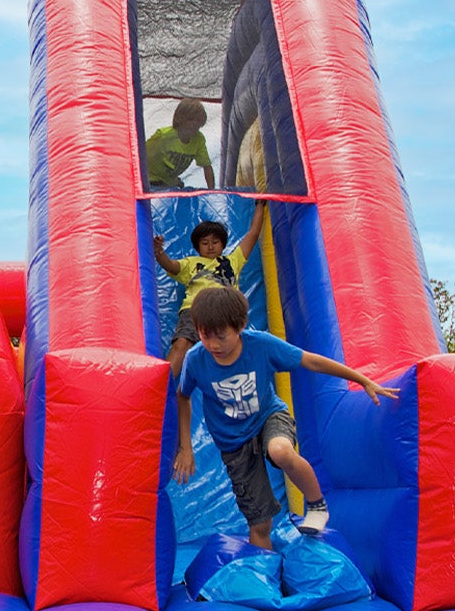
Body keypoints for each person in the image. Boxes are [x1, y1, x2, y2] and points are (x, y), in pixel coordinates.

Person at [172, 284, 398, 546]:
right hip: (232, 442)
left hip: (268, 416)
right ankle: (265, 579)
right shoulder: (196, 359)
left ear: (241, 325)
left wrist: (362, 380)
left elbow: (311, 361)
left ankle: (316, 504)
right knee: (260, 524)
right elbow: (183, 396)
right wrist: (185, 448)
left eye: (221, 337)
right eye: (204, 335)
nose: (212, 344)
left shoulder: (261, 346)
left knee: (280, 450)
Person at [153, 203, 266, 377]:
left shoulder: (232, 260)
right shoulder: (191, 263)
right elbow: (170, 265)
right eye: (205, 243)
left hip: (225, 309)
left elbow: (252, 233)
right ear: (198, 247)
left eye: (215, 242)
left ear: (222, 244)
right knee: (181, 344)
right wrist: (159, 252)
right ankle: (162, 388)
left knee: (233, 350)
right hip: (196, 309)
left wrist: (260, 205)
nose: (211, 246)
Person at [145, 98, 216, 189]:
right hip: (151, 181)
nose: (195, 124)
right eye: (191, 119)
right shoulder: (163, 136)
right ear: (179, 119)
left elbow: (207, 166)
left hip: (169, 183)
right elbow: (142, 155)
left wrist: (212, 191)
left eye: (198, 121)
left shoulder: (198, 140)